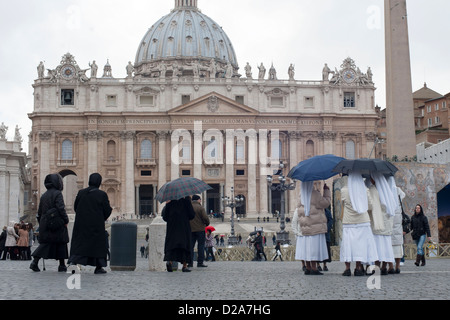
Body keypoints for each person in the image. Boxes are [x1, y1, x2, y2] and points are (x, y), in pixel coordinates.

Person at [68, 173, 112, 274]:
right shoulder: (102, 194)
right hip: (96, 225)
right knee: (97, 246)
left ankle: (73, 263)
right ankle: (98, 267)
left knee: (80, 245)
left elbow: (76, 207)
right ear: (99, 182)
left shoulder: (81, 193)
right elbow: (107, 210)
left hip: (81, 224)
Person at [339, 173, 378, 276]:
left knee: (348, 245)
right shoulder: (365, 190)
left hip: (349, 221)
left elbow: (342, 204)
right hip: (362, 221)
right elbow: (370, 206)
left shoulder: (343, 190)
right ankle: (358, 267)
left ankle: (347, 268)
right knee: (360, 245)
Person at [30, 174, 70, 272]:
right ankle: (62, 265)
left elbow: (39, 212)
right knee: (61, 242)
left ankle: (35, 262)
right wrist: (66, 220)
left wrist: (42, 223)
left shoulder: (44, 195)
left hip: (45, 222)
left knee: (46, 243)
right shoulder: (58, 193)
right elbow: (61, 208)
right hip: (57, 223)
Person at [297, 181, 331, 275]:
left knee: (307, 248)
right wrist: (326, 192)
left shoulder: (301, 195)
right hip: (315, 226)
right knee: (314, 248)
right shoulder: (315, 194)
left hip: (305, 227)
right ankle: (314, 268)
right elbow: (326, 203)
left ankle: (308, 267)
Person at [366, 174, 395, 276]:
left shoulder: (373, 190)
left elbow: (370, 205)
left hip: (377, 222)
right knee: (386, 245)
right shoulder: (387, 190)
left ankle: (377, 266)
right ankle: (384, 266)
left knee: (377, 246)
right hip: (386, 221)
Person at [162, 196, 196, 272]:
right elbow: (192, 215)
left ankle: (170, 262)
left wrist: (167, 204)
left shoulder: (170, 202)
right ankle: (184, 266)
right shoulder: (186, 201)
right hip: (184, 228)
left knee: (172, 245)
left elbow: (165, 217)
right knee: (184, 246)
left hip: (172, 228)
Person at [387, 176, 406, 273]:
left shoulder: (386, 190)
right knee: (397, 245)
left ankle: (390, 266)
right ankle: (397, 266)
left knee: (389, 245)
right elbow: (404, 195)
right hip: (398, 219)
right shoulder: (398, 191)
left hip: (389, 219)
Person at [189, 195, 210, 268]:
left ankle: (190, 263)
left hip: (190, 229)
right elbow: (205, 218)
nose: (200, 201)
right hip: (200, 229)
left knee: (190, 246)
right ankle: (200, 262)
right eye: (200, 200)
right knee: (201, 246)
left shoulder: (189, 207)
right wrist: (206, 223)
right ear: (198, 200)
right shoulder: (200, 208)